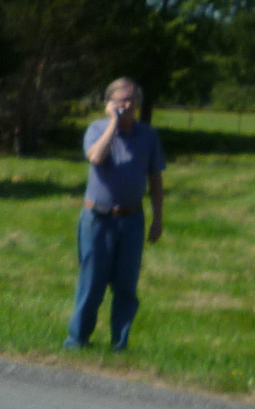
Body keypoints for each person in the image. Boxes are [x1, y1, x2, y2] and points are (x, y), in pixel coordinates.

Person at [65, 77, 166, 352]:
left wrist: (158, 219)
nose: (127, 105)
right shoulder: (97, 129)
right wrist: (113, 123)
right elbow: (96, 157)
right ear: (109, 103)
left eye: (132, 100)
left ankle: (119, 345)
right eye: (121, 100)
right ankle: (77, 341)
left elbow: (155, 178)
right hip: (98, 219)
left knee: (126, 287)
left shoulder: (148, 135)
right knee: (92, 283)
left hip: (132, 220)